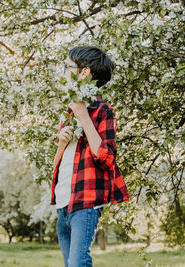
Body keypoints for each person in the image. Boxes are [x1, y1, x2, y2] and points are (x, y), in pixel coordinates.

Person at [51, 46, 129, 267]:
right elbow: (56, 166)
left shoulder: (102, 111)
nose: (62, 73)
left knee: (78, 263)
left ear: (84, 73)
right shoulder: (68, 111)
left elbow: (106, 159)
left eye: (66, 67)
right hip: (63, 204)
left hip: (85, 205)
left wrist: (84, 117)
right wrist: (62, 143)